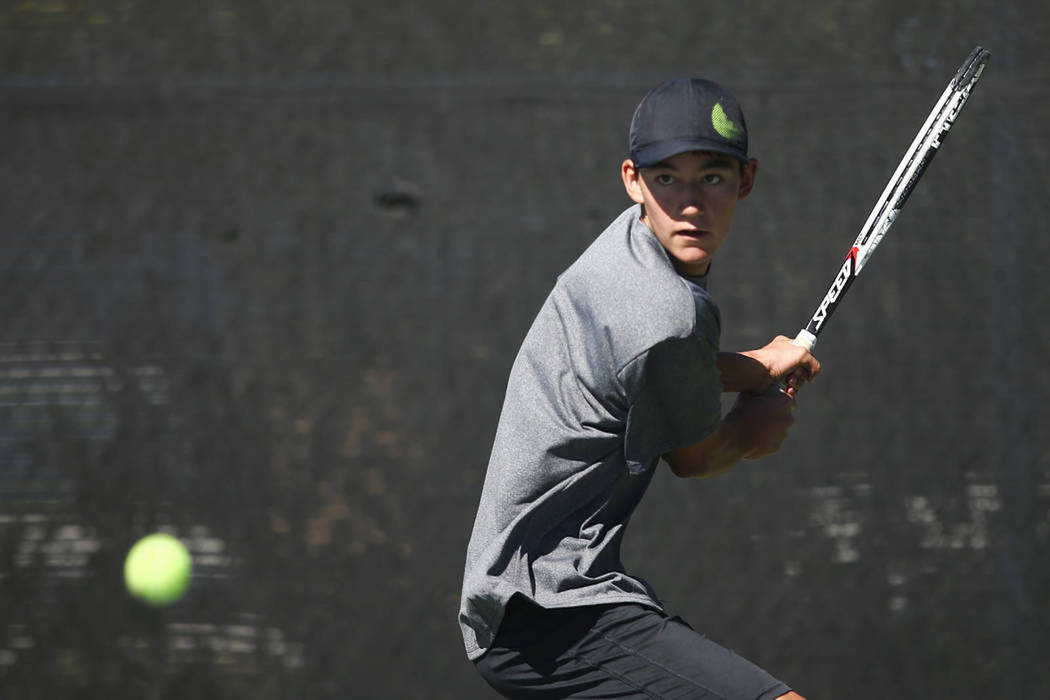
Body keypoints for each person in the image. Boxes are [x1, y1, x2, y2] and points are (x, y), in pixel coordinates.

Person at [459, 77, 820, 699]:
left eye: (712, 177)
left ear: (746, 180)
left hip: (523, 599)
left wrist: (759, 365)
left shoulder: (626, 250)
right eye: (667, 179)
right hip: (548, 613)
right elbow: (696, 456)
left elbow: (660, 370)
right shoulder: (665, 312)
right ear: (634, 180)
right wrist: (753, 431)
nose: (690, 203)